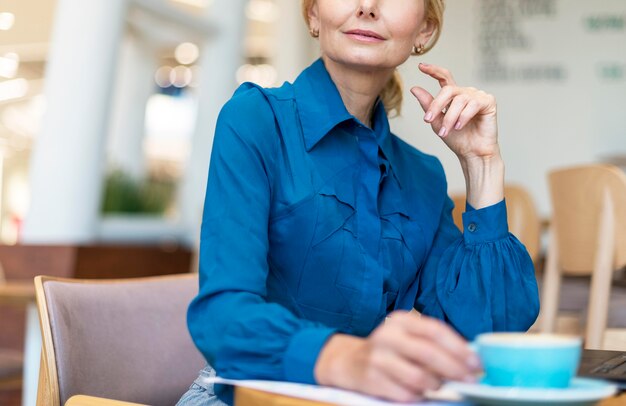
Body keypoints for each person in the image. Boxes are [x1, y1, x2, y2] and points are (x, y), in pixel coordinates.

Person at [178, 0, 539, 404]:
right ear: (314, 15)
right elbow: (223, 316)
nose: (367, 6)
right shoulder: (255, 121)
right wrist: (349, 359)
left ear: (424, 31)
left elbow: (484, 332)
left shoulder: (422, 176)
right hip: (247, 396)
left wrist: (481, 164)